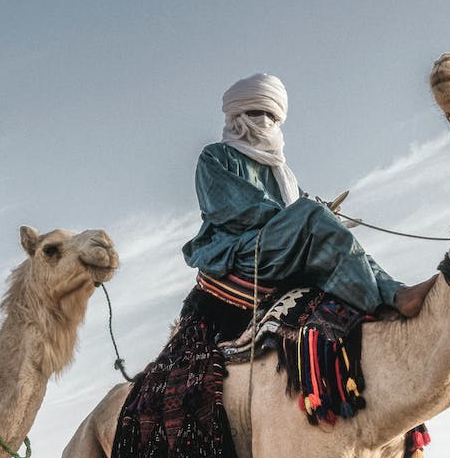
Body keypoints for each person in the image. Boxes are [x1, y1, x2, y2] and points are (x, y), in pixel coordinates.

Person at [180, 73, 434, 319]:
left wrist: (318, 216)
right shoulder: (215, 157)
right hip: (244, 250)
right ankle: (378, 309)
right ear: (239, 116)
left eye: (271, 116)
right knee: (313, 217)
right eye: (257, 114)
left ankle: (397, 294)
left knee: (341, 238)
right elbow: (236, 212)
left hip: (283, 245)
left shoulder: (282, 173)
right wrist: (300, 219)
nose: (265, 121)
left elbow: (300, 211)